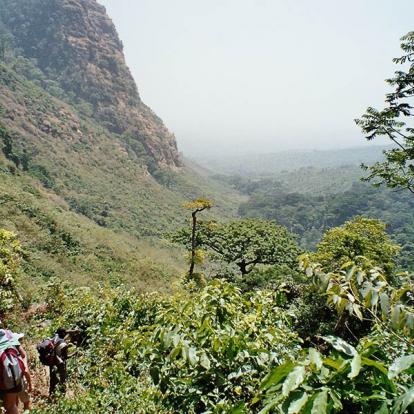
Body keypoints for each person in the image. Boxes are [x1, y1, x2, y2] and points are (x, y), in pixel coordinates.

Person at [0, 328, 31, 414]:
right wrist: (30, 384)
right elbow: (25, 368)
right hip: (10, 376)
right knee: (11, 405)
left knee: (8, 405)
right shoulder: (9, 336)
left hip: (7, 376)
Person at [49, 327, 69, 396]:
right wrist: (75, 353)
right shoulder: (64, 345)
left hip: (52, 361)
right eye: (65, 333)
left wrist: (74, 331)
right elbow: (66, 357)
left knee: (53, 378)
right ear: (63, 334)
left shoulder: (55, 338)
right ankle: (62, 394)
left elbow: (65, 332)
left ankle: (51, 393)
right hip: (60, 363)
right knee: (62, 379)